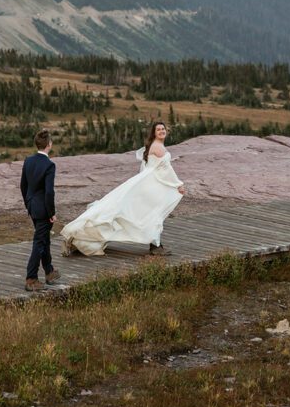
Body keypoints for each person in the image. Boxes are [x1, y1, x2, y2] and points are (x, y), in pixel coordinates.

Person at [61, 121, 185, 257]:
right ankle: (155, 246)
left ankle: (155, 244)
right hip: (152, 184)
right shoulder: (158, 147)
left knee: (148, 213)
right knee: (153, 214)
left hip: (150, 182)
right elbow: (167, 170)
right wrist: (178, 184)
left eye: (163, 129)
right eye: (158, 129)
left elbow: (149, 166)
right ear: (154, 133)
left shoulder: (155, 145)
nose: (162, 131)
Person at [20, 129, 61, 292]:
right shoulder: (49, 165)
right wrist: (51, 213)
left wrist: (28, 204)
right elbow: (49, 192)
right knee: (39, 242)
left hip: (32, 206)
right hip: (43, 209)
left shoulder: (28, 161)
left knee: (44, 239)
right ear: (49, 144)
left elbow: (23, 186)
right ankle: (31, 278)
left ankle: (49, 271)